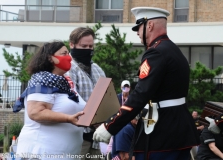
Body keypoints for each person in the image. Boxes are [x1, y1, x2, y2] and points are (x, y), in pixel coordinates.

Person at [93, 7, 199, 160]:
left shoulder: (155, 52)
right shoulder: (173, 50)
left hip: (163, 132)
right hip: (179, 128)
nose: (137, 32)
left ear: (149, 26)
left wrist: (110, 126)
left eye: (139, 27)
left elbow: (140, 94)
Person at [13, 41, 85, 160]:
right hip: (40, 153)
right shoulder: (41, 80)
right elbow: (36, 112)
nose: (69, 57)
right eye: (64, 53)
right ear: (50, 58)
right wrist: (68, 118)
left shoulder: (66, 83)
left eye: (68, 53)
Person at [66, 27, 106, 160]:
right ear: (72, 44)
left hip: (96, 137)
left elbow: (106, 96)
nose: (88, 49)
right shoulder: (68, 69)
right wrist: (92, 118)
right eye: (83, 46)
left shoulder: (97, 69)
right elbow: (71, 100)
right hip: (77, 136)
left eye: (91, 46)